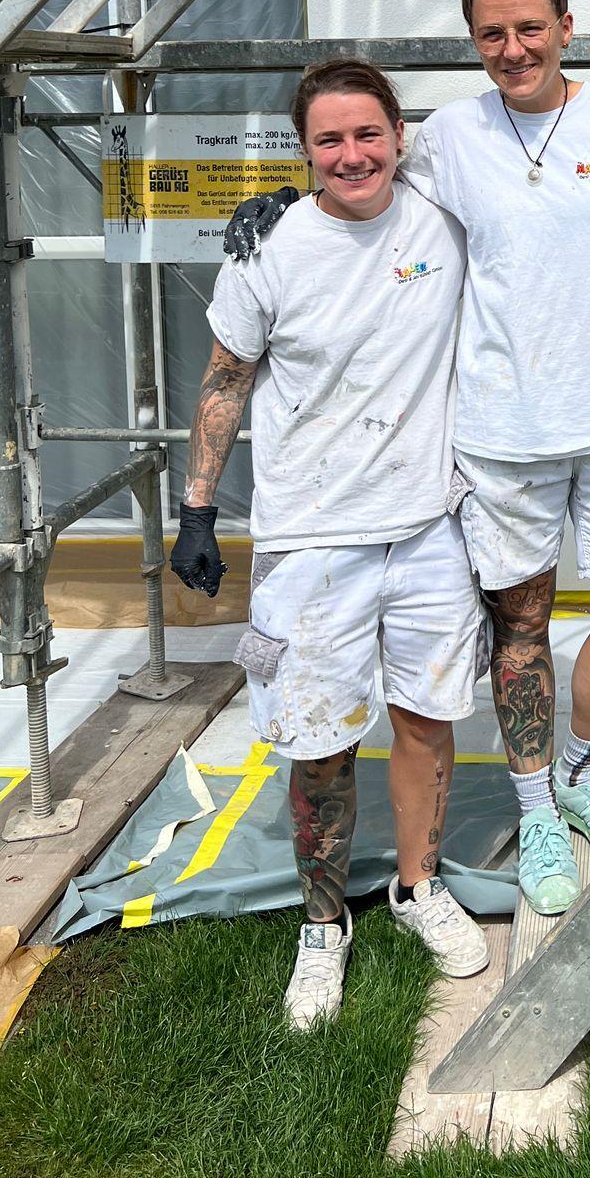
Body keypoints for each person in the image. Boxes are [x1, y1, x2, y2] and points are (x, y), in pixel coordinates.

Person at [226, 0, 590, 920]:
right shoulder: (453, 134)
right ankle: (538, 804)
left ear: (566, 25)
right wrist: (281, 198)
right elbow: (355, 170)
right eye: (492, 36)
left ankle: (584, 764)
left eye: (529, 29)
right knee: (523, 629)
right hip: (504, 436)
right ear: (476, 44)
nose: (513, 50)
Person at [170, 56, 489, 1030]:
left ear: (401, 134)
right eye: (328, 140)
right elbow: (228, 380)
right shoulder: (269, 251)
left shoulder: (448, 220)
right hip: (310, 541)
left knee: (429, 721)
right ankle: (323, 922)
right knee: (319, 744)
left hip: (431, 527)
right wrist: (196, 506)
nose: (352, 155)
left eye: (367, 134)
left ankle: (416, 885)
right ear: (303, 150)